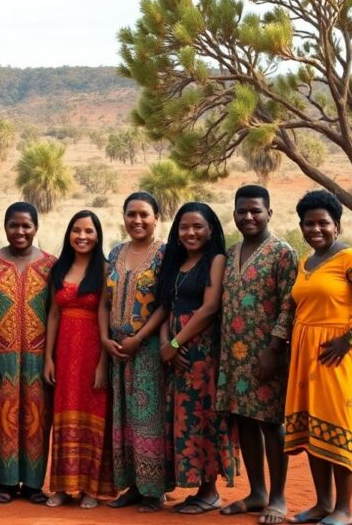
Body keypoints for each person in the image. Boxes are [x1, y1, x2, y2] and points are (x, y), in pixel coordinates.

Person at [284, 190, 352, 525]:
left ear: (337, 226)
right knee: (315, 428)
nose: (315, 229)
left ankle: (344, 509)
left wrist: (349, 338)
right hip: (306, 354)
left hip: (337, 353)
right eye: (308, 223)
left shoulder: (349, 258)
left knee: (338, 425)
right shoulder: (306, 261)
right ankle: (322, 505)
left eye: (323, 223)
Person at [216, 186, 297, 525]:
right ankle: (256, 493)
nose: (248, 217)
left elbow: (289, 304)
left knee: (269, 422)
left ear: (269, 213)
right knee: (244, 421)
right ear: (234, 214)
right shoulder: (231, 251)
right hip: (234, 355)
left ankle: (277, 498)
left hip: (267, 354)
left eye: (255, 211)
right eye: (241, 211)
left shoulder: (282, 253)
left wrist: (274, 350)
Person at [0, 202, 56, 505]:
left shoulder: (50, 264)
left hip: (37, 354)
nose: (20, 231)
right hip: (1, 354)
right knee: (1, 418)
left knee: (37, 418)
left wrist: (50, 356)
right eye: (14, 225)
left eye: (26, 226)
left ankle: (34, 484)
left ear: (36, 227)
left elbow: (54, 313)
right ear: (4, 226)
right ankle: (6, 483)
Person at [157, 202, 235, 514]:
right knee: (182, 416)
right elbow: (167, 305)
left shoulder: (215, 260)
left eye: (197, 227)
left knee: (203, 416)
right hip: (177, 351)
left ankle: (210, 491)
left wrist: (176, 341)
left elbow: (209, 308)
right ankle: (197, 487)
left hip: (201, 353)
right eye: (184, 227)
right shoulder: (176, 262)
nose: (191, 233)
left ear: (211, 230)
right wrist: (166, 343)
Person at [103, 192, 173, 513]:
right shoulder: (116, 252)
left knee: (149, 418)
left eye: (144, 214)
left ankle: (154, 490)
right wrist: (106, 339)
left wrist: (139, 338)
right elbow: (104, 302)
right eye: (132, 214)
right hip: (118, 350)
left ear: (156, 217)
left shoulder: (164, 255)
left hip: (146, 350)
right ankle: (131, 485)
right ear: (124, 217)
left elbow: (164, 305)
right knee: (124, 418)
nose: (138, 220)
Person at [42, 210, 114, 509]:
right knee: (63, 416)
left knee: (93, 415)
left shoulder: (106, 270)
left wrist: (103, 363)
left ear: (98, 236)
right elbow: (54, 314)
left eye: (89, 231)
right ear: (68, 234)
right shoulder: (59, 269)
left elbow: (106, 314)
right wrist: (48, 358)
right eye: (76, 230)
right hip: (64, 352)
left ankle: (90, 488)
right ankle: (62, 486)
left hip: (92, 352)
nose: (82, 236)